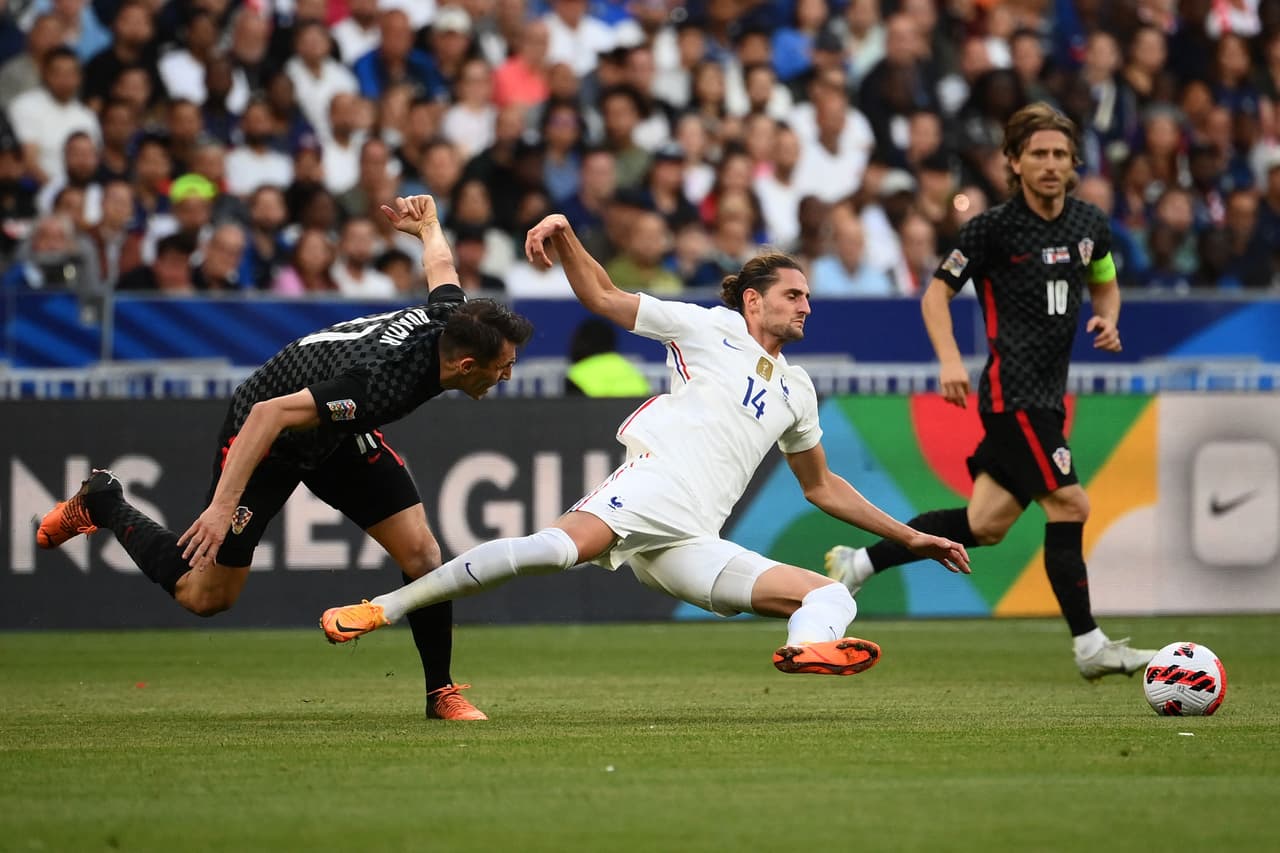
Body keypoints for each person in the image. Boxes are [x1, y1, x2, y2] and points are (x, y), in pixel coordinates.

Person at [320, 215, 969, 678]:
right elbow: (603, 296)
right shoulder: (709, 328)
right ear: (752, 300)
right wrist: (567, 233)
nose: (806, 307)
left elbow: (821, 486)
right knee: (551, 550)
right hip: (654, 485)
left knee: (831, 598)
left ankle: (808, 649)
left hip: (689, 539)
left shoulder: (798, 390)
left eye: (807, 296)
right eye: (793, 295)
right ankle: (383, 607)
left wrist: (910, 538)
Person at [37, 196, 534, 721]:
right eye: (502, 367)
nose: (506, 376)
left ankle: (441, 693)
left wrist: (430, 226)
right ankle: (105, 502)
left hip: (337, 433)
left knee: (423, 555)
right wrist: (223, 506)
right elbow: (268, 415)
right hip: (270, 434)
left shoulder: (450, 319)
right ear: (466, 364)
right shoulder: (377, 383)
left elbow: (442, 268)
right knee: (205, 596)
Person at [823, 103, 1157, 681]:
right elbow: (935, 296)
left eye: (1059, 155)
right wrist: (951, 360)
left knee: (984, 525)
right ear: (1013, 162)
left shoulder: (1089, 225)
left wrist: (1109, 318)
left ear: (1074, 162)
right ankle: (1090, 645)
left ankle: (860, 562)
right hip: (1012, 394)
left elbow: (1105, 282)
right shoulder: (992, 229)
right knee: (1071, 503)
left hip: (1048, 396)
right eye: (1038, 154)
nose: (1050, 165)